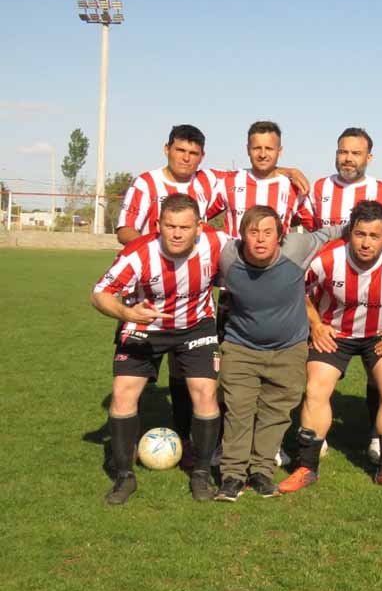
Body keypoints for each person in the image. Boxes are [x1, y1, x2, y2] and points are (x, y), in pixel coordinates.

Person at [279, 201, 382, 495]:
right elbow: (298, 291)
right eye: (360, 234)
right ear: (350, 232)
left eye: (374, 236)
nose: (366, 243)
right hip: (334, 333)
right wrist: (316, 326)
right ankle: (307, 468)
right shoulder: (327, 258)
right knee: (316, 388)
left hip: (380, 335)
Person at [91, 194, 224, 505]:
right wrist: (128, 313)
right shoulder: (138, 253)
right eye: (170, 226)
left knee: (205, 392)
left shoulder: (218, 242)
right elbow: (99, 294)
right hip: (143, 325)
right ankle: (124, 476)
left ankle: (201, 473)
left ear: (199, 227)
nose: (176, 233)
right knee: (123, 392)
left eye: (184, 227)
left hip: (195, 325)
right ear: (157, 225)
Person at [210, 205, 348, 502]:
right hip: (241, 347)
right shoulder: (228, 255)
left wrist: (361, 227)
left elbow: (330, 233)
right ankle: (232, 476)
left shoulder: (296, 248)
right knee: (238, 411)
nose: (260, 239)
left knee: (276, 414)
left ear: (280, 237)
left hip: (288, 350)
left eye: (267, 232)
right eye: (253, 232)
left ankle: (261, 472)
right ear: (242, 236)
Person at [295, 126, 382, 463]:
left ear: (369, 157)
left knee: (380, 371)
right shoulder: (320, 188)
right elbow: (307, 229)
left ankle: (378, 436)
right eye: (343, 151)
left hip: (372, 294)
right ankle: (317, 435)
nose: (348, 158)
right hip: (327, 295)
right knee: (318, 371)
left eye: (356, 153)